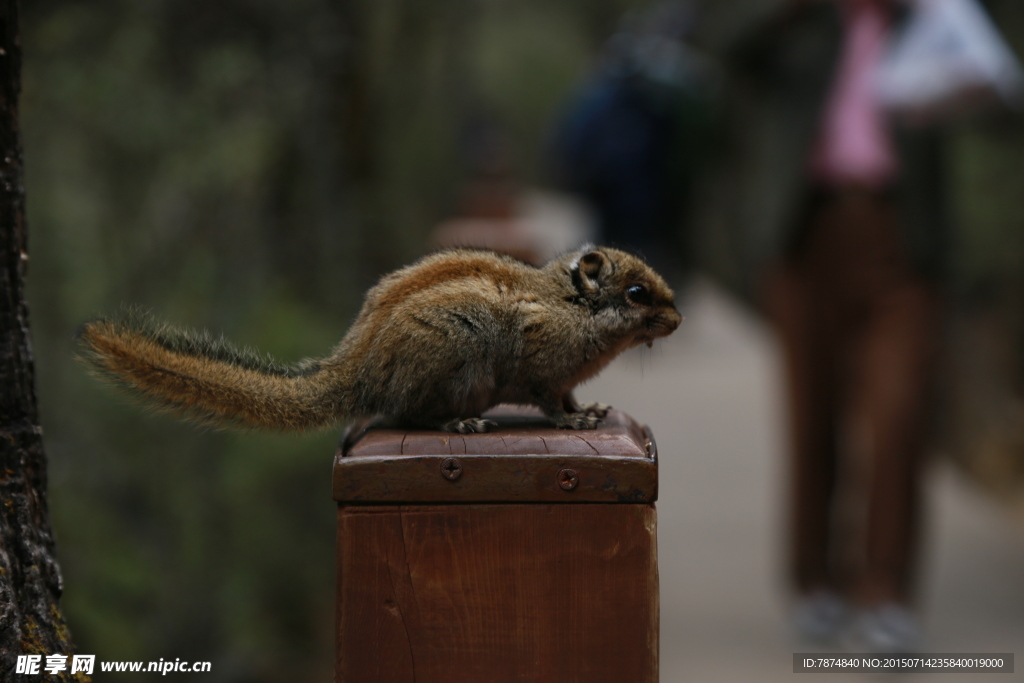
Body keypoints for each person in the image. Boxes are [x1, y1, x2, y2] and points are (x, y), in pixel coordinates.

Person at [693, 0, 949, 650]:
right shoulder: (796, 22)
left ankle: (886, 592)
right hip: (804, 238)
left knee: (898, 416)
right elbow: (714, 43)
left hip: (901, 239)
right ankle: (817, 584)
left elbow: (1000, 95)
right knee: (813, 418)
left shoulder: (928, 19)